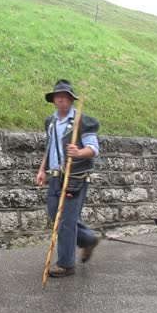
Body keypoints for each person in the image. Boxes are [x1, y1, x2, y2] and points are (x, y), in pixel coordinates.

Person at [36, 79, 101, 278]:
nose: (62, 100)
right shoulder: (51, 122)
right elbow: (49, 148)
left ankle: (65, 264)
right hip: (55, 177)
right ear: (54, 100)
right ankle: (88, 238)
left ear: (72, 100)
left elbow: (93, 149)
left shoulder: (83, 121)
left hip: (75, 177)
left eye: (65, 97)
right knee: (55, 214)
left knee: (65, 221)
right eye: (58, 97)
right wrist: (42, 170)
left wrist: (79, 152)